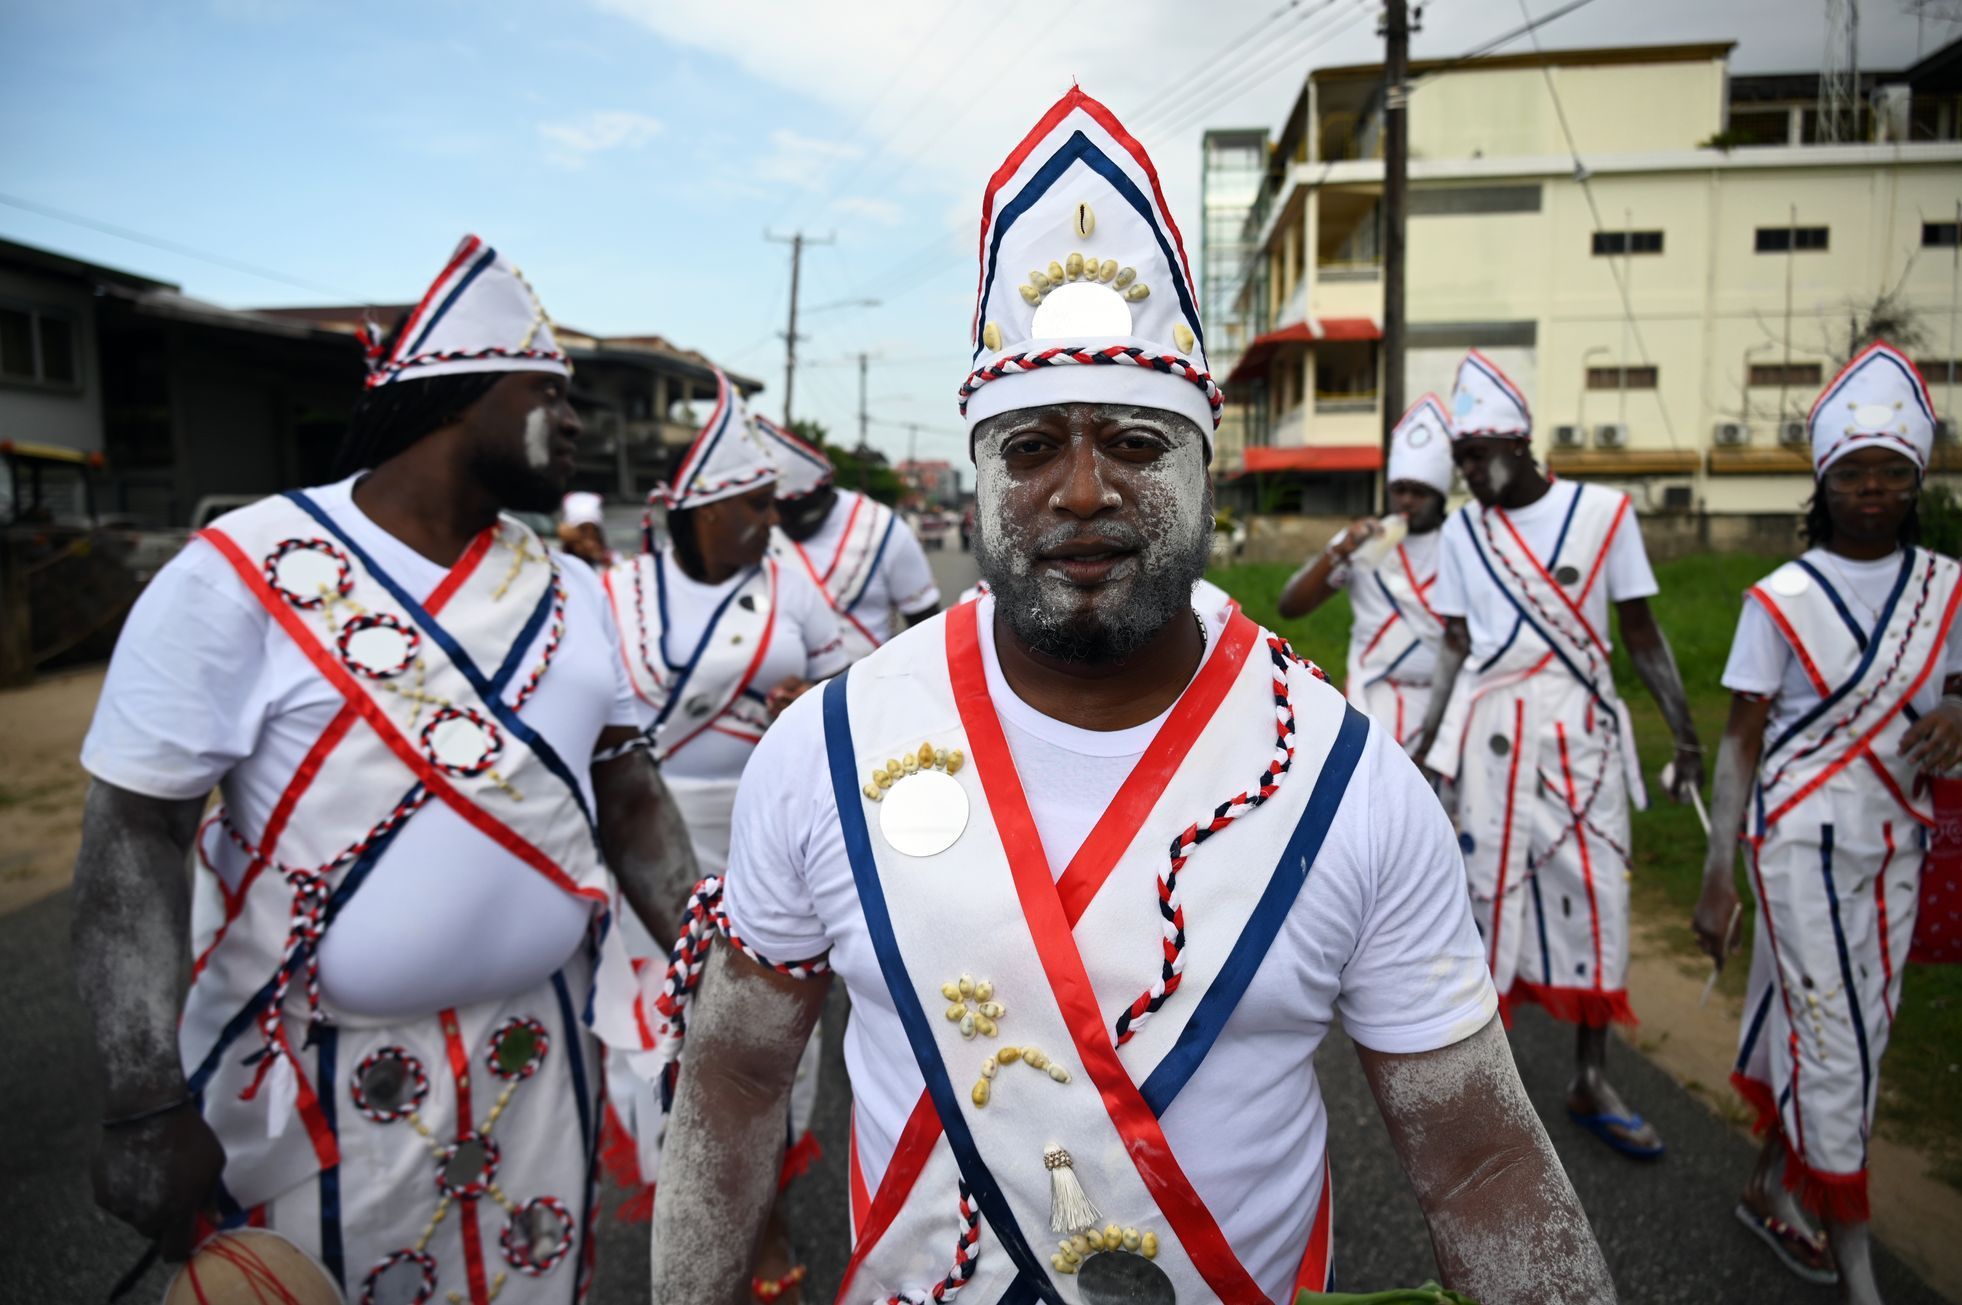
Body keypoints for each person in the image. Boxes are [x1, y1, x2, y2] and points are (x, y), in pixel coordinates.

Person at [648, 88, 1615, 1304]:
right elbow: (734, 1080)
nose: (1085, 490)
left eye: (1138, 444)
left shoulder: (1346, 782)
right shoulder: (829, 750)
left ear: (1209, 467)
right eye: (1033, 446)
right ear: (981, 473)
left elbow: (1478, 1166)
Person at [71, 235, 696, 1303]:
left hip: (540, 1070)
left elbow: (628, 790)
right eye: (552, 392)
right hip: (307, 1090)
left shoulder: (575, 590)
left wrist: (713, 977)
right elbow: (136, 831)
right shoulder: (242, 571)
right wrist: (141, 1100)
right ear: (458, 398)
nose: (581, 422)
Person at [1694, 343, 1960, 1304]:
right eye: (1855, 472)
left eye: (1894, 471)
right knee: (1835, 1038)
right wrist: (1719, 874)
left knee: (1854, 1029)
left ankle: (1771, 1178)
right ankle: (1857, 1268)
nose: (1875, 490)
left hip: (1898, 842)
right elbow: (1740, 745)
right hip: (1797, 840)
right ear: (1825, 480)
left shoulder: (1948, 587)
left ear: (1918, 479)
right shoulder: (1781, 598)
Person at [1415, 349, 1703, 1161]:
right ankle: (1490, 1080)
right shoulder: (1465, 532)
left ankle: (1590, 1074)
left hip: (1583, 735)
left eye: (1477, 457)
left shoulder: (1605, 514)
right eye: (1460, 459)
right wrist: (1429, 741)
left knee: (1597, 891)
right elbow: (1456, 641)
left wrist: (1684, 733)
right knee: (1487, 895)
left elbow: (1641, 634)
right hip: (1493, 734)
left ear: (1519, 443)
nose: (1468, 474)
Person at [596, 372, 848, 1300]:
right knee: (664, 1032)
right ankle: (695, 1213)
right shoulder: (616, 593)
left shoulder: (793, 584)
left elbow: (846, 683)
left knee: (763, 1033)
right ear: (700, 509)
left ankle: (766, 1209)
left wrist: (807, 701)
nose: (768, 520)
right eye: (751, 504)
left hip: (763, 831)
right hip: (647, 837)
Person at [1279, 394, 1454, 750]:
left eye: (1419, 492)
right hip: (1373, 700)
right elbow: (1291, 606)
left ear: (1440, 496)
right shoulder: (1363, 540)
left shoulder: (1461, 544)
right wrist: (1341, 552)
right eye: (1400, 490)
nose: (1406, 501)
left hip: (1443, 705)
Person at [753, 415, 941, 661]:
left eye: (797, 512)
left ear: (824, 489)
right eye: (775, 511)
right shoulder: (761, 530)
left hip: (866, 689)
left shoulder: (884, 528)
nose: (779, 522)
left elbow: (925, 623)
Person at [558, 490, 615, 567]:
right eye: (583, 531)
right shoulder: (558, 561)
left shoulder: (611, 558)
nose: (590, 543)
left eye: (594, 531)